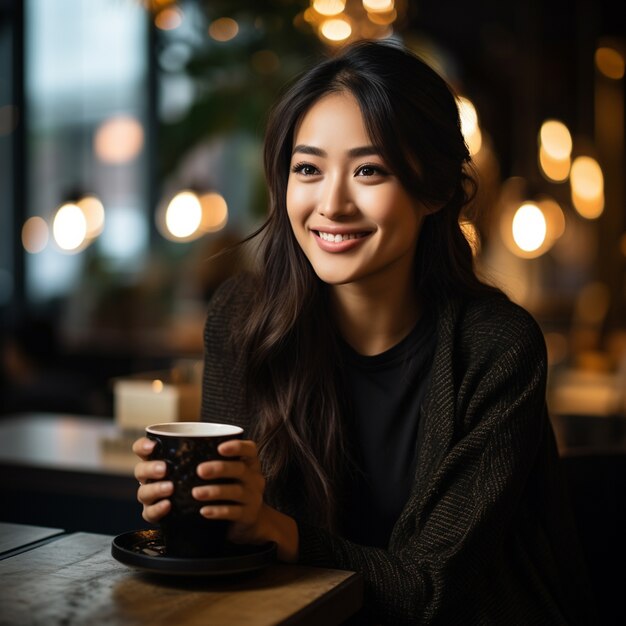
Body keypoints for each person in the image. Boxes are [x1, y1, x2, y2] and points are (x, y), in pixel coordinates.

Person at [133, 40, 596, 624]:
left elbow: (430, 592)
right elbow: (238, 540)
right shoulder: (243, 318)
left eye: (368, 170)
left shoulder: (498, 347)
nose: (331, 203)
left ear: (434, 190)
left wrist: (273, 528)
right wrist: (193, 510)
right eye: (307, 169)